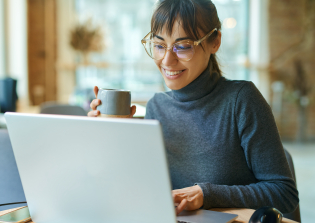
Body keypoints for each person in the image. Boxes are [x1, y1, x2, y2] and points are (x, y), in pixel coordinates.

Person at [88, 0, 299, 215]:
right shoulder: (156, 107)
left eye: (183, 46)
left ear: (214, 41)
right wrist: (113, 138)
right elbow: (143, 190)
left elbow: (284, 194)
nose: (167, 60)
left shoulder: (241, 101)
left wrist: (207, 194)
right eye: (159, 45)